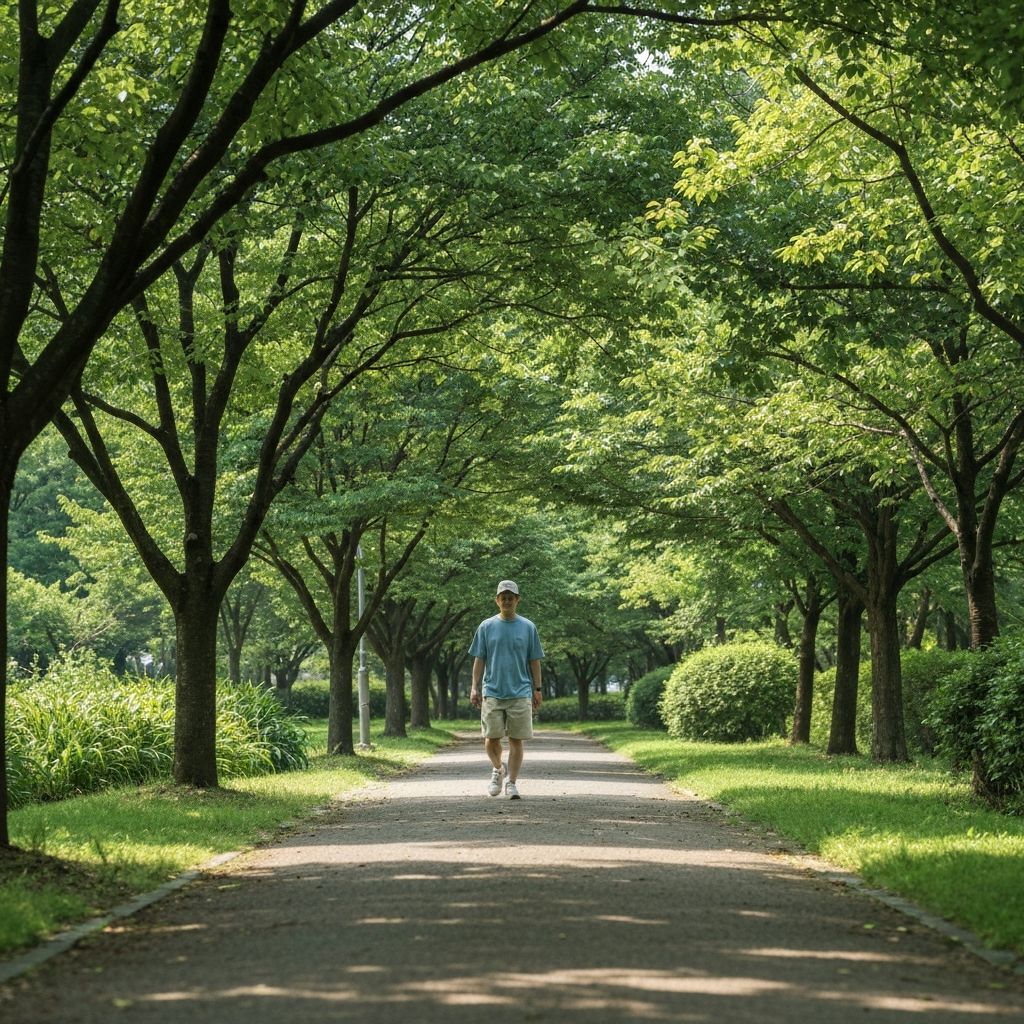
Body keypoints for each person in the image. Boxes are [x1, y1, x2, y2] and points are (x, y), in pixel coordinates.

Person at [468, 579, 544, 799]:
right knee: (491, 738)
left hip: (520, 691)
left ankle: (511, 782)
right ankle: (498, 769)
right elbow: (479, 659)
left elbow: (535, 661)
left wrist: (537, 689)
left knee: (516, 740)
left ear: (517, 600)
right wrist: (474, 687)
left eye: (511, 597)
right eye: (503, 597)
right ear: (497, 600)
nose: (507, 600)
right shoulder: (486, 626)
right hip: (492, 690)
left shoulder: (528, 627)